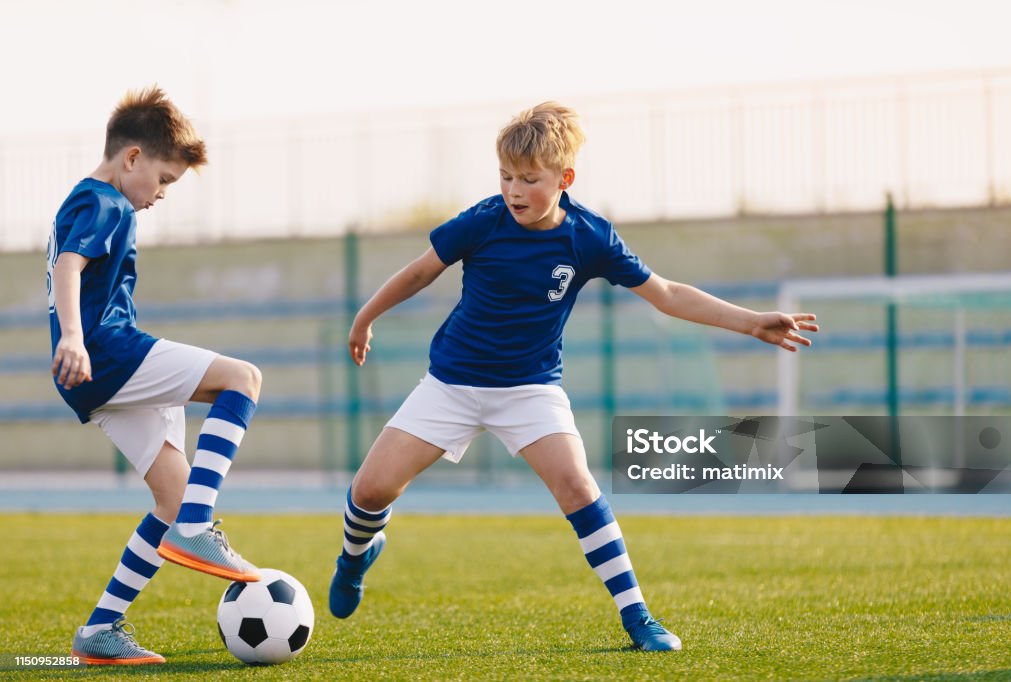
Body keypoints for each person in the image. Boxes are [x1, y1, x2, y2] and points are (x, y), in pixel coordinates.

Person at [329, 101, 819, 652]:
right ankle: (355, 558)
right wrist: (365, 317)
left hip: (531, 390)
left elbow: (667, 294)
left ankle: (637, 617)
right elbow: (420, 271)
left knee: (577, 485)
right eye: (506, 176)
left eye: (529, 179)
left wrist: (752, 322)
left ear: (565, 179)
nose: (514, 190)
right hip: (452, 384)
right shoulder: (483, 220)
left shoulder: (589, 237)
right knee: (372, 490)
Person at [48, 87, 263, 665]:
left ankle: (100, 630)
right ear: (133, 158)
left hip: (95, 373)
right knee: (242, 378)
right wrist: (73, 335)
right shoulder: (104, 203)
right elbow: (69, 267)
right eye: (164, 179)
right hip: (107, 353)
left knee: (172, 497)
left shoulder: (93, 200)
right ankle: (198, 525)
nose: (163, 194)